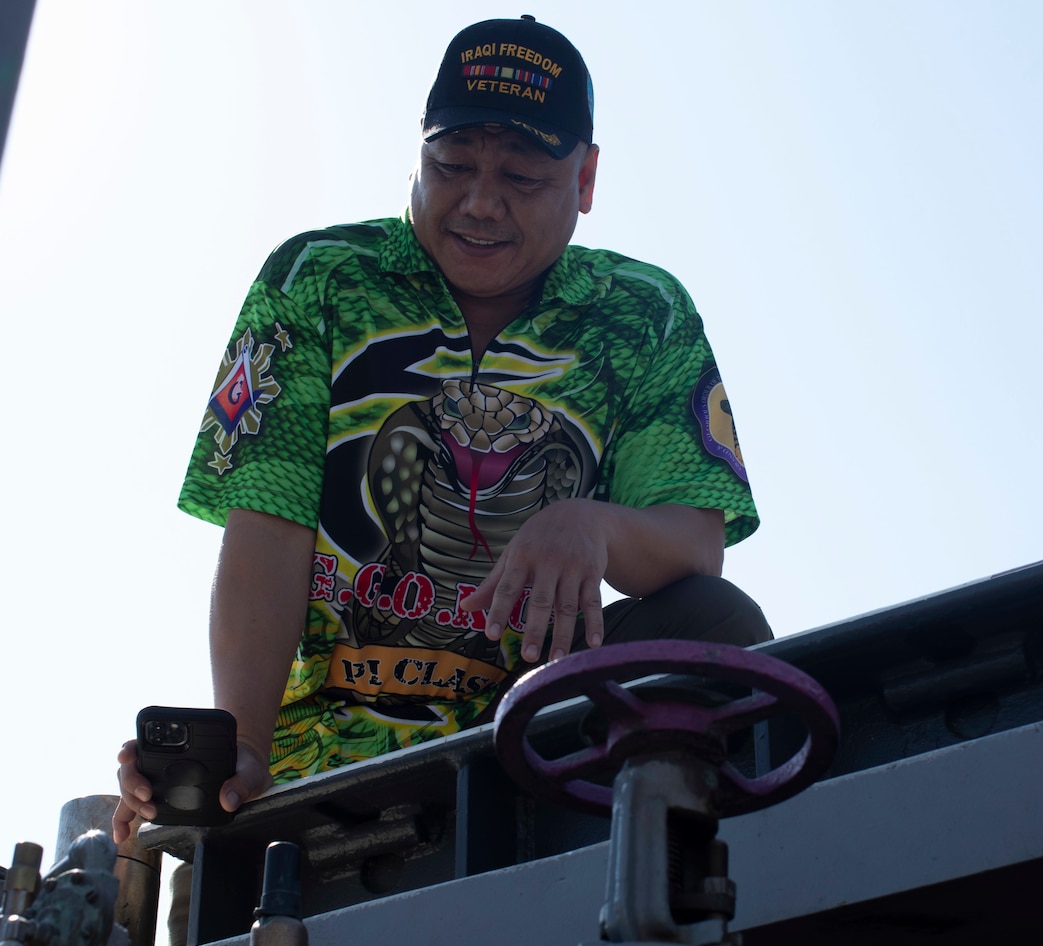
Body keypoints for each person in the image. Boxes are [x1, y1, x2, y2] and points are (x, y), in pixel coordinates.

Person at [113, 16, 768, 843]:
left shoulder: (643, 314)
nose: (479, 202)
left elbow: (694, 545)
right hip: (317, 772)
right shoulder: (318, 280)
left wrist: (592, 525)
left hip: (534, 745)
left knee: (722, 628)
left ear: (587, 178)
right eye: (451, 165)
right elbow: (266, 524)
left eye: (523, 176)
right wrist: (241, 744)